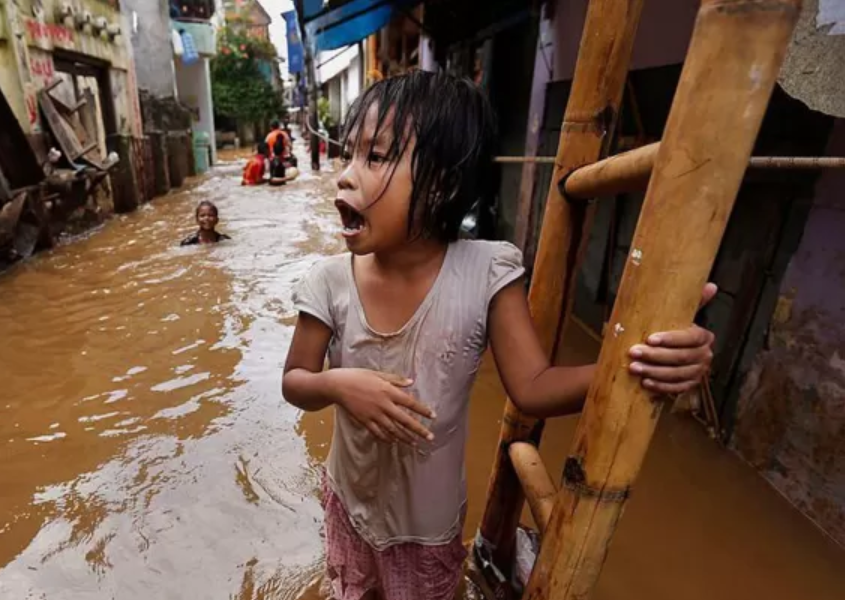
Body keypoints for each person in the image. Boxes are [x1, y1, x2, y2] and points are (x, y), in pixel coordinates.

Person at [281, 71, 717, 600]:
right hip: (349, 506)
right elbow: (296, 381)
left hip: (427, 527)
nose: (345, 177)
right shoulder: (327, 281)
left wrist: (637, 360)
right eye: (349, 155)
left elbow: (533, 386)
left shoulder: (487, 272)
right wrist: (340, 385)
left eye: (374, 157)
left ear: (440, 182)